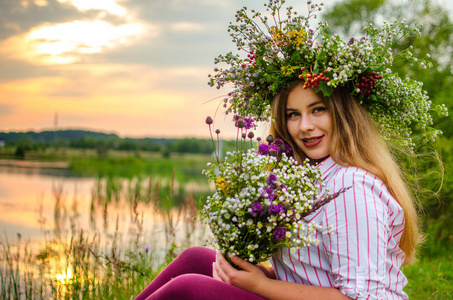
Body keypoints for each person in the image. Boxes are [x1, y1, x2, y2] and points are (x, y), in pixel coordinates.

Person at [135, 1, 447, 299]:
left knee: (188, 290)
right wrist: (258, 273)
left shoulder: (352, 190)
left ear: (344, 115)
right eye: (293, 114)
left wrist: (262, 286)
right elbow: (313, 275)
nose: (304, 126)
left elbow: (361, 297)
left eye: (318, 110)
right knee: (196, 261)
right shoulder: (309, 176)